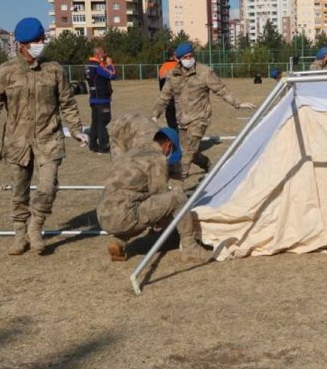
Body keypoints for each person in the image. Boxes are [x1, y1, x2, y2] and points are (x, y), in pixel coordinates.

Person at [0, 17, 87, 255]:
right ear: (23, 44)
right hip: (17, 142)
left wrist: (76, 130)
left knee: (48, 187)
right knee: (19, 191)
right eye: (37, 40)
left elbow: (68, 103)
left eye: (42, 39)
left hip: (48, 139)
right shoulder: (5, 71)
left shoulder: (54, 70)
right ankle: (20, 235)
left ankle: (36, 227)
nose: (41, 43)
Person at [97, 115, 211, 263]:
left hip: (104, 215)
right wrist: (173, 225)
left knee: (140, 209)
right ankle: (190, 249)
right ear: (168, 145)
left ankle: (119, 241)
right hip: (124, 215)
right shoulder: (157, 158)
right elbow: (161, 197)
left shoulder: (131, 153)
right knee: (177, 197)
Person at [151, 42, 255, 178]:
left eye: (191, 56)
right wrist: (155, 114)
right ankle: (206, 164)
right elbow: (164, 97)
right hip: (182, 120)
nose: (189, 59)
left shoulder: (205, 72)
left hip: (200, 119)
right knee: (187, 151)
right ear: (179, 59)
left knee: (187, 153)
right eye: (186, 57)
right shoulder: (172, 75)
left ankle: (181, 180)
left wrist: (238, 103)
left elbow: (221, 90)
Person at [84, 46, 117, 153]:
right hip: (102, 98)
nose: (105, 55)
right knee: (104, 122)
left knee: (95, 122)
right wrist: (110, 64)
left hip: (93, 98)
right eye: (104, 53)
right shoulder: (97, 66)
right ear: (99, 54)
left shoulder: (88, 66)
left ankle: (93, 145)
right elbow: (112, 75)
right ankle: (103, 146)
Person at [157, 49, 179, 130]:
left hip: (166, 96)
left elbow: (160, 83)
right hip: (177, 96)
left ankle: (174, 133)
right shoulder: (177, 65)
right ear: (173, 56)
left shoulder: (162, 67)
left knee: (170, 118)